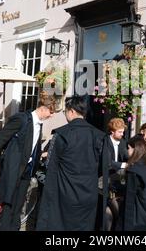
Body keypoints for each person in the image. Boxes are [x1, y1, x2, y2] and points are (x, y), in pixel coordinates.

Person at [0, 92, 56, 231]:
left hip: (27, 171)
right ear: (43, 108)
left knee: (18, 206)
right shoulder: (21, 119)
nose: (51, 115)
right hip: (13, 168)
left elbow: (32, 146)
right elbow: (0, 140)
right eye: (51, 112)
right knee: (8, 205)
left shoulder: (39, 124)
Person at [36, 96, 106, 231]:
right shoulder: (99, 136)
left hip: (64, 192)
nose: (65, 115)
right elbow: (103, 166)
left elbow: (50, 163)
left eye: (65, 112)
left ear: (72, 111)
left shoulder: (62, 134)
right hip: (89, 191)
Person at [103, 118, 129, 231]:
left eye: (123, 132)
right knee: (110, 201)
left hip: (119, 176)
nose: (122, 134)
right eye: (120, 132)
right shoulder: (105, 142)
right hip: (106, 176)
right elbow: (108, 163)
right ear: (112, 131)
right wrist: (124, 165)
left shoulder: (122, 142)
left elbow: (126, 156)